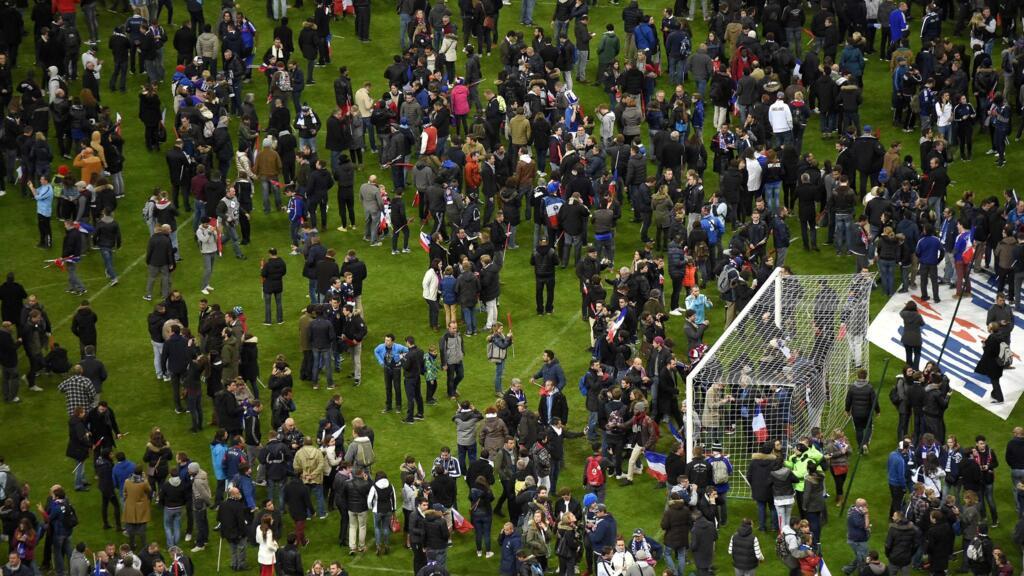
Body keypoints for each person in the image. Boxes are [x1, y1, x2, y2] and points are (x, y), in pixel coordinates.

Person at [975, 322, 1007, 404]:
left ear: (992, 329)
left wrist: (984, 346)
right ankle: (994, 394)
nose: (988, 328)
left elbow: (989, 352)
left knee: (994, 381)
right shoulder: (1000, 335)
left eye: (989, 327)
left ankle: (1000, 399)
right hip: (999, 361)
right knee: (995, 379)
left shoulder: (992, 338)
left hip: (994, 363)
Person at [261, 248, 287, 325]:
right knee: (279, 303)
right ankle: (280, 320)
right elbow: (284, 272)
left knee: (268, 304)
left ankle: (268, 321)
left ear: (270, 254)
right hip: (278, 285)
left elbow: (263, 274)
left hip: (268, 286)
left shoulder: (267, 264)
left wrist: (262, 268)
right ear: (276, 253)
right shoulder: (282, 262)